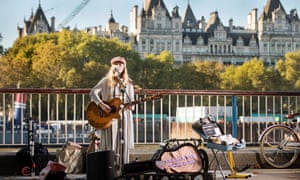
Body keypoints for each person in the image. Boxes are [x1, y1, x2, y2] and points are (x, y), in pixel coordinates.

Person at [89, 56, 135, 170]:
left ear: (124, 67)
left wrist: (130, 106)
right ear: (112, 66)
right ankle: (108, 169)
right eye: (115, 64)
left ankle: (123, 169)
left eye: (120, 64)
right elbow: (93, 92)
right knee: (110, 144)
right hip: (109, 118)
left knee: (123, 144)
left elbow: (132, 104)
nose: (118, 66)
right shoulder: (105, 81)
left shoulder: (128, 84)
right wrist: (101, 104)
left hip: (124, 117)